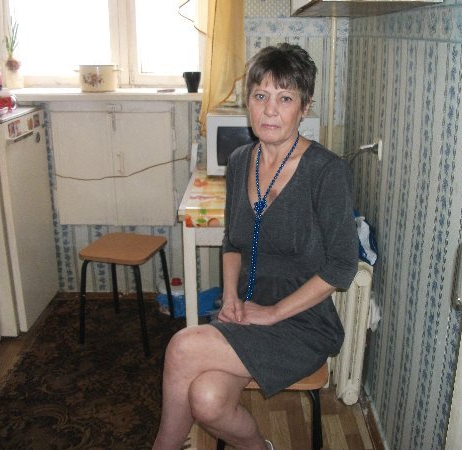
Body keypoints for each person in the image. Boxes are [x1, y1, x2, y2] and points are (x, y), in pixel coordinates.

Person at [152, 43, 359, 450]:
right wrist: (230, 296)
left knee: (182, 347)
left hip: (302, 321)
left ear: (304, 107)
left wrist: (274, 312)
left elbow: (342, 266)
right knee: (207, 400)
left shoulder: (327, 171)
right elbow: (232, 242)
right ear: (247, 101)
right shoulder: (240, 161)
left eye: (285, 99)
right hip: (247, 308)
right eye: (260, 96)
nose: (270, 111)